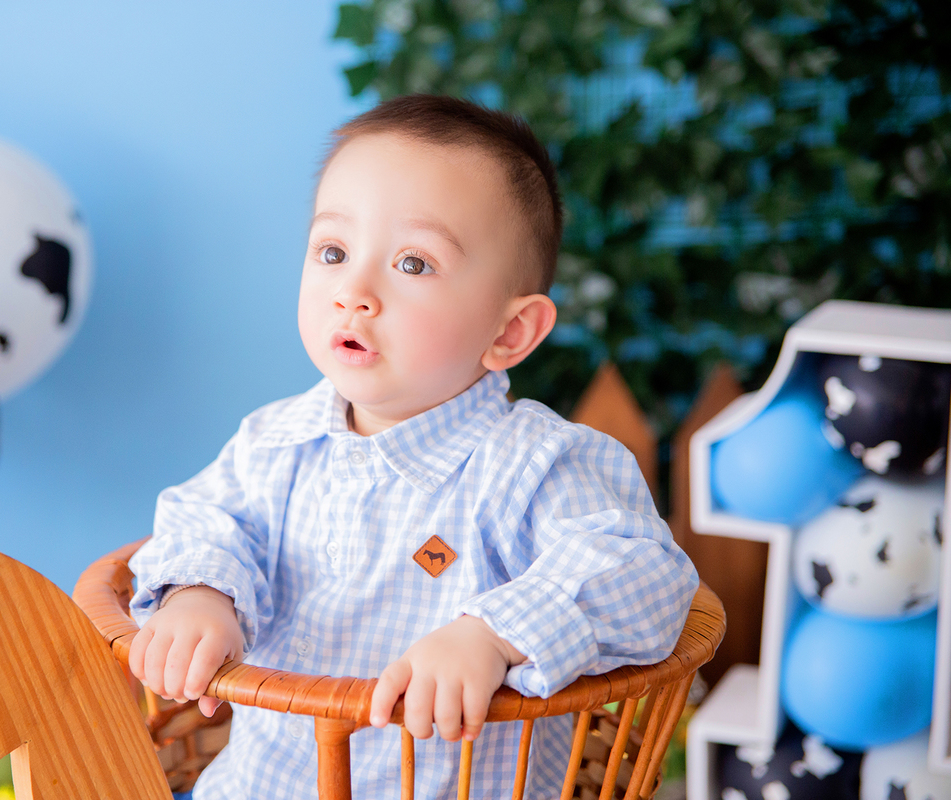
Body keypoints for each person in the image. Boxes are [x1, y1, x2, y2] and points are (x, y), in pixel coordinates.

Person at [127, 94, 698, 799]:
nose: (354, 291)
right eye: (332, 251)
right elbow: (205, 519)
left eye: (415, 264)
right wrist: (200, 594)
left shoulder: (534, 464)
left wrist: (494, 636)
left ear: (510, 333)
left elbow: (643, 569)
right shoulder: (273, 441)